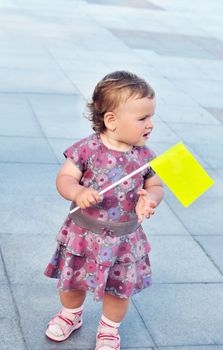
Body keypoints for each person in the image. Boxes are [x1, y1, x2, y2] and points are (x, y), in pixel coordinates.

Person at [44, 70, 164, 349]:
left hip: (124, 239)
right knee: (72, 282)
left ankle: (110, 328)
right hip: (85, 233)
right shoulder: (87, 149)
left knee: (119, 291)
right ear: (111, 120)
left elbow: (156, 185)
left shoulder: (144, 156)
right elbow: (65, 179)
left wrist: (151, 198)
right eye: (143, 118)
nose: (151, 125)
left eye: (151, 117)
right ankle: (70, 315)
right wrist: (77, 191)